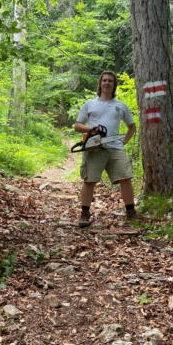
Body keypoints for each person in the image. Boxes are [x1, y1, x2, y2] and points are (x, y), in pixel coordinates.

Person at [74, 70, 142, 227]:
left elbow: (131, 126)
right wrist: (90, 130)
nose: (107, 83)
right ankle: (84, 213)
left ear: (114, 84)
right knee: (89, 180)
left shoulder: (121, 106)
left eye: (110, 81)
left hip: (115, 147)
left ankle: (130, 211)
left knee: (125, 178)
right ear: (100, 83)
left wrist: (124, 141)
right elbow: (77, 126)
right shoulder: (90, 104)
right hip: (94, 147)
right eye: (104, 80)